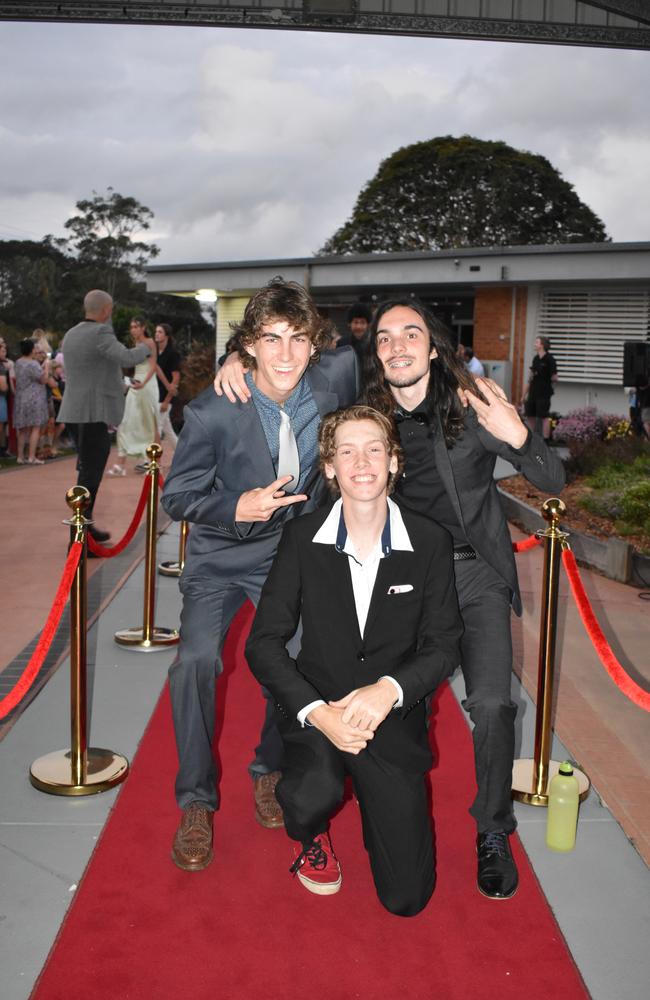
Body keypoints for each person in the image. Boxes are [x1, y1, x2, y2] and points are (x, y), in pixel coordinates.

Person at [362, 298, 565, 900]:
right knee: (402, 711)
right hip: (404, 584)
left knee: (494, 706)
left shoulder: (473, 406)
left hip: (473, 576)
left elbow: (552, 480)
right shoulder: (366, 417)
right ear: (376, 353)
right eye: (385, 338)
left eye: (411, 334)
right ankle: (401, 813)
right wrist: (237, 364)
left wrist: (520, 434)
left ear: (432, 347)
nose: (397, 346)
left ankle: (493, 831)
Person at [161, 278, 359, 873]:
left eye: (298, 339)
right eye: (270, 339)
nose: (285, 355)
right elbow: (177, 496)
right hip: (221, 555)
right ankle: (196, 800)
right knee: (195, 661)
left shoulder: (331, 384)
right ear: (248, 344)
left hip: (290, 554)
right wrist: (234, 506)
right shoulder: (212, 411)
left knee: (294, 663)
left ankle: (268, 768)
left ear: (315, 344)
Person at [245, 405, 462, 914]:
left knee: (407, 898)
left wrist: (389, 689)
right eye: (346, 451)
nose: (361, 462)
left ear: (394, 462)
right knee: (313, 791)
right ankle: (309, 829)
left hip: (391, 715)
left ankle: (372, 791)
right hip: (318, 710)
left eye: (374, 449)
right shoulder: (302, 538)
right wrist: (318, 713)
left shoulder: (430, 541)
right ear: (328, 467)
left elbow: (443, 644)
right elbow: (264, 643)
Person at [58, 290, 154, 541]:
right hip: (92, 413)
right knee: (91, 473)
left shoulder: (71, 333)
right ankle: (80, 534)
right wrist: (147, 348)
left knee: (86, 469)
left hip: (74, 411)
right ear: (106, 310)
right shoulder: (100, 332)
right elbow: (125, 356)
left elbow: (92, 370)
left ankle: (84, 528)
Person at [107, 318, 160, 477]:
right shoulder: (136, 345)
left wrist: (143, 383)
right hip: (136, 383)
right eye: (131, 327)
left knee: (150, 422)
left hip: (148, 384)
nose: (133, 330)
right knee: (126, 421)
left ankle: (153, 462)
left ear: (143, 327)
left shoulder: (150, 342)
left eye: (136, 326)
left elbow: (153, 366)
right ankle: (121, 462)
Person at [13, 338, 50, 465]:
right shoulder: (33, 364)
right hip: (34, 398)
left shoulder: (18, 362)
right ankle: (31, 456)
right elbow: (43, 380)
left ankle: (20, 456)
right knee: (35, 427)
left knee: (22, 429)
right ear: (31, 349)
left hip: (21, 398)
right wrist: (46, 368)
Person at [522, 336, 558, 441]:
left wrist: (551, 386)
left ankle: (546, 440)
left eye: (536, 342)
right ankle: (532, 438)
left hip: (544, 393)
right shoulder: (536, 359)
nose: (534, 344)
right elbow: (530, 377)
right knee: (530, 415)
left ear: (542, 345)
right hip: (533, 392)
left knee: (543, 416)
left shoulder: (550, 359)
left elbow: (555, 377)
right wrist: (523, 395)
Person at [154, 323, 181, 450]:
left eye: (160, 332)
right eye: (156, 331)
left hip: (165, 397)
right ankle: (183, 456)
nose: (156, 334)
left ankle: (151, 462)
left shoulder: (173, 354)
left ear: (167, 336)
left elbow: (176, 378)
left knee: (156, 430)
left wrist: (167, 401)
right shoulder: (155, 353)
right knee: (168, 431)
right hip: (154, 394)